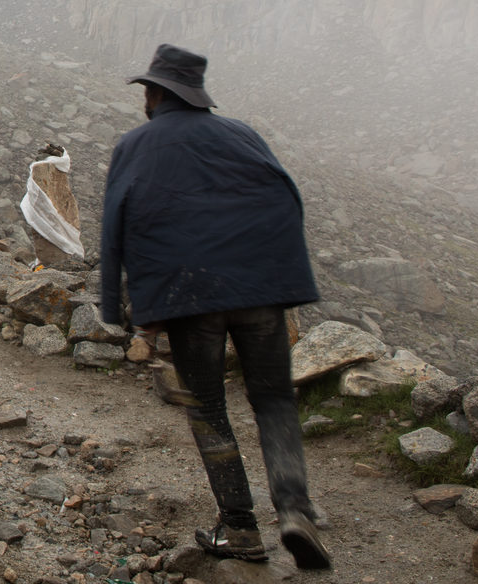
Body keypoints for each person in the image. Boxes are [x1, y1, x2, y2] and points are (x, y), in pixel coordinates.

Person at [100, 44, 329, 570]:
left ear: (157, 94)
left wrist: (123, 307)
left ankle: (242, 527)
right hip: (261, 295)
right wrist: (285, 282)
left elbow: (118, 224)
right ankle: (295, 512)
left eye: (147, 92)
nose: (144, 101)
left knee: (209, 410)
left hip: (191, 299)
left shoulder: (136, 145)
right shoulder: (243, 135)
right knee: (274, 401)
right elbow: (283, 197)